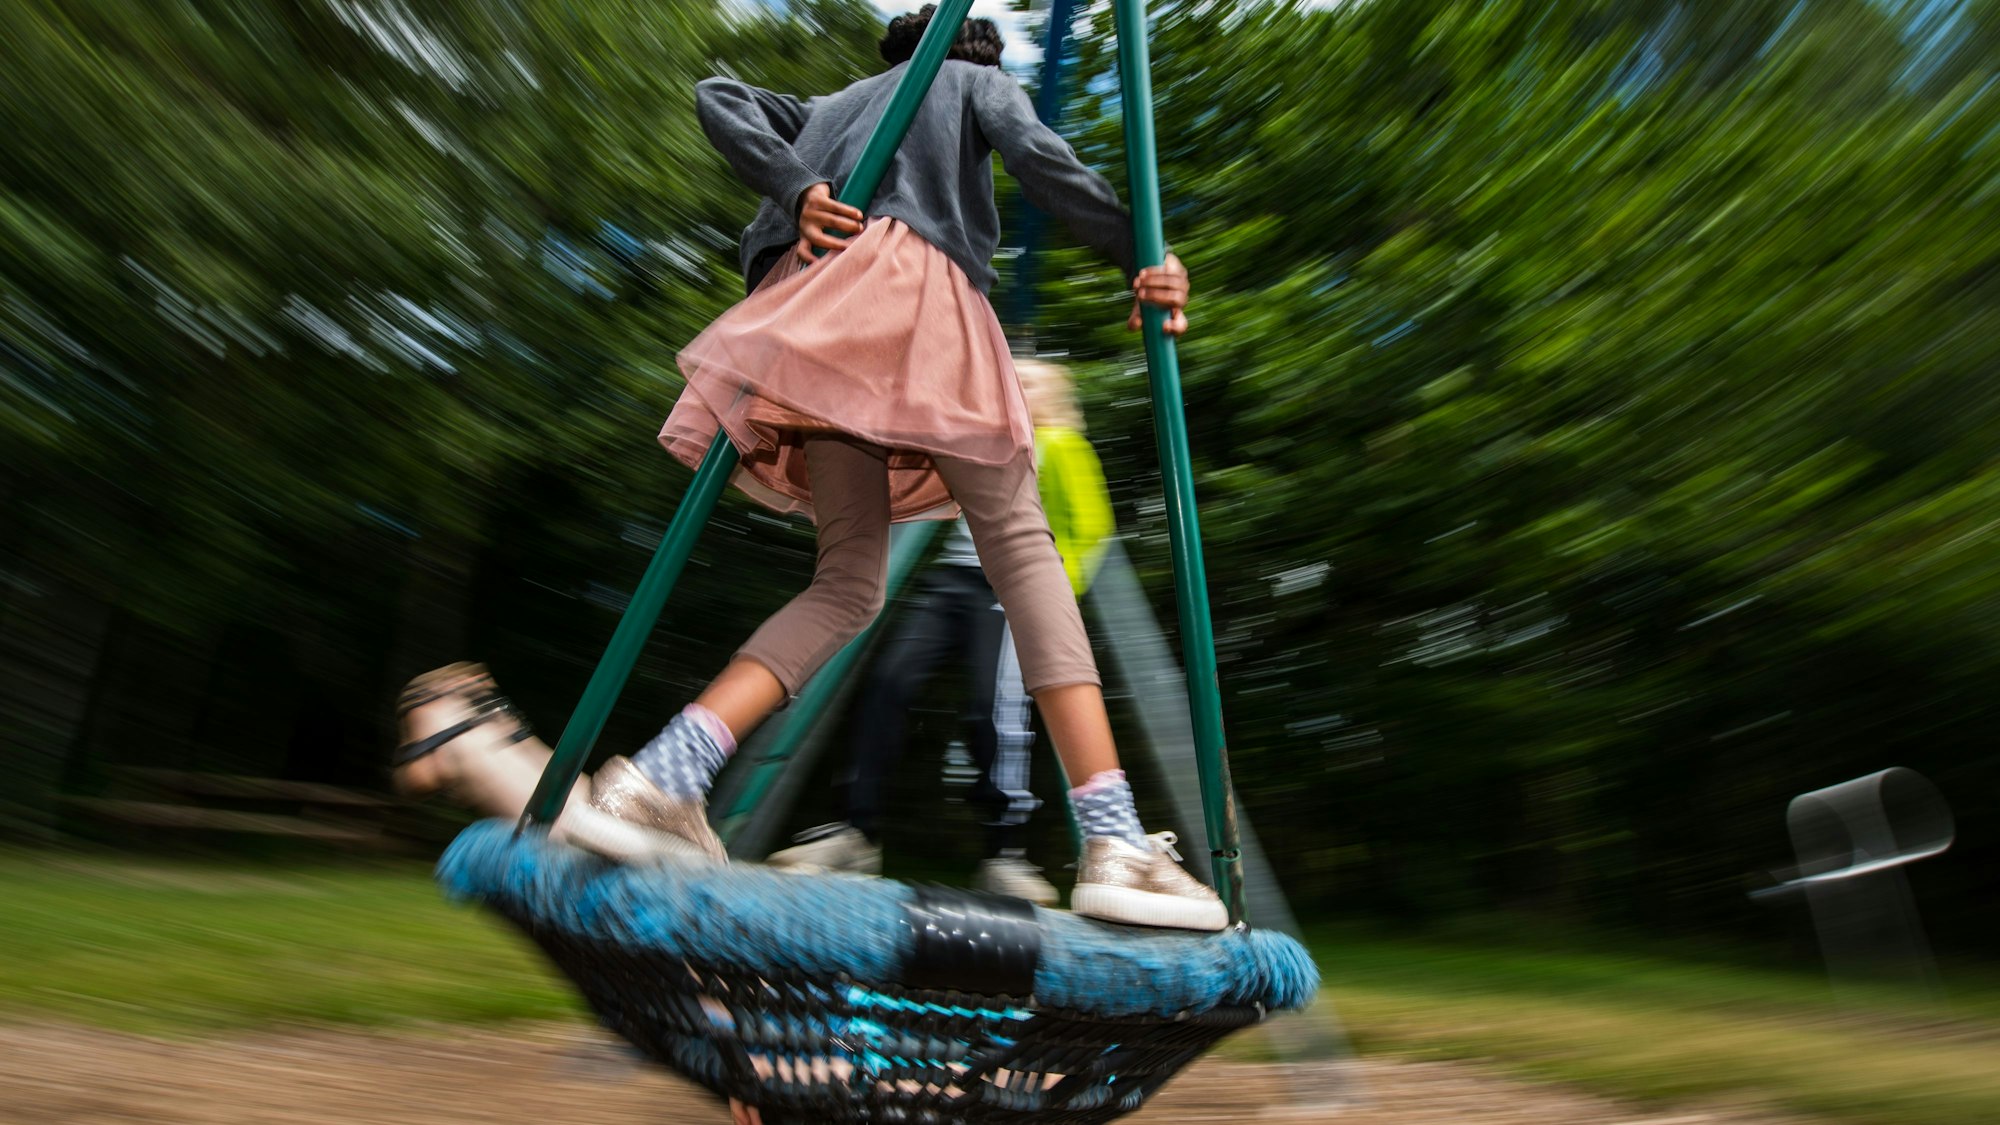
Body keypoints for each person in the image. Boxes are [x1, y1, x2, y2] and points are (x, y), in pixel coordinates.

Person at [394, 6, 1224, 935]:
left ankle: (665, 777)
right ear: (959, 53)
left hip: (820, 331)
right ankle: (1114, 838)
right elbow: (1038, 160)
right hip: (917, 302)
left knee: (845, 585)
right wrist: (1140, 254)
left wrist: (796, 190)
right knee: (1025, 552)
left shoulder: (833, 103)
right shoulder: (971, 82)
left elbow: (721, 95)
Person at [767, 359, 1113, 908]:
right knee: (888, 681)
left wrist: (1048, 595)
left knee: (993, 711)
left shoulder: (1063, 446)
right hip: (949, 583)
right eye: (1013, 381)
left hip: (1008, 592)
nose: (1019, 389)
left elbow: (1093, 527)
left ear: (1056, 398)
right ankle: (854, 835)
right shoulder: (982, 440)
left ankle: (1006, 855)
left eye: (1032, 383)